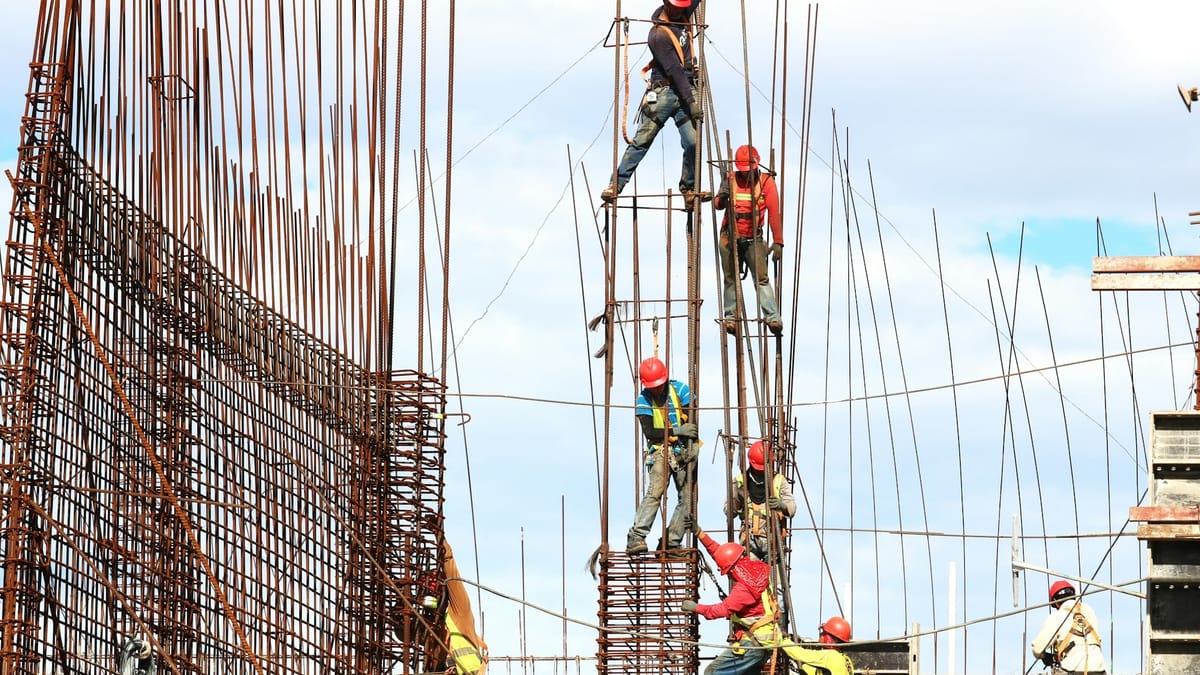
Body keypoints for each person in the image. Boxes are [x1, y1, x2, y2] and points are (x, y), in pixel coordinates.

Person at [681, 527, 855, 675]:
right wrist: (700, 533)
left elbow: (722, 610)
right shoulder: (753, 568)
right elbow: (722, 553)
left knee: (712, 672)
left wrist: (696, 607)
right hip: (764, 642)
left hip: (754, 644)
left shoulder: (743, 590)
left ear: (831, 639)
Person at [601, 0, 706, 205]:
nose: (680, 10)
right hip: (666, 92)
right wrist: (692, 103)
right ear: (666, 4)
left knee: (693, 143)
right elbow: (675, 72)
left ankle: (689, 188)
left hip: (685, 89)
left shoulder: (683, 12)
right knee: (642, 141)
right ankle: (616, 184)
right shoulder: (657, 36)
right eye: (676, 6)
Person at [626, 356, 698, 553]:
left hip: (682, 451)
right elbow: (650, 432)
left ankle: (671, 541)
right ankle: (636, 537)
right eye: (653, 386)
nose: (656, 389)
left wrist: (691, 441)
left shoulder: (680, 390)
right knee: (655, 493)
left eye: (659, 385)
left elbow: (692, 417)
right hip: (660, 452)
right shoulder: (643, 400)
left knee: (688, 498)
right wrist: (677, 431)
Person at [714, 144, 784, 335]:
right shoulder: (730, 179)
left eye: (750, 170)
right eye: (744, 171)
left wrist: (778, 241)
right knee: (730, 279)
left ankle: (772, 317)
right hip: (730, 238)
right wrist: (722, 195)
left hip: (753, 239)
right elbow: (718, 205)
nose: (747, 174)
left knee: (761, 279)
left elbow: (774, 213)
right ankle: (730, 317)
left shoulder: (766, 182)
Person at [725, 439, 796, 562]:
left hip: (773, 542)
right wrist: (738, 501)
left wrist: (781, 506)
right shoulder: (740, 482)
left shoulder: (779, 481)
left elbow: (792, 509)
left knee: (777, 580)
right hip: (749, 542)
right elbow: (729, 512)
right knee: (752, 578)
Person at [1031, 580, 1107, 675]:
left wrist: (1045, 657)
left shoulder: (1057, 616)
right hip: (1099, 670)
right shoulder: (1089, 611)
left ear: (1055, 601)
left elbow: (1037, 648)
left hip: (1073, 670)